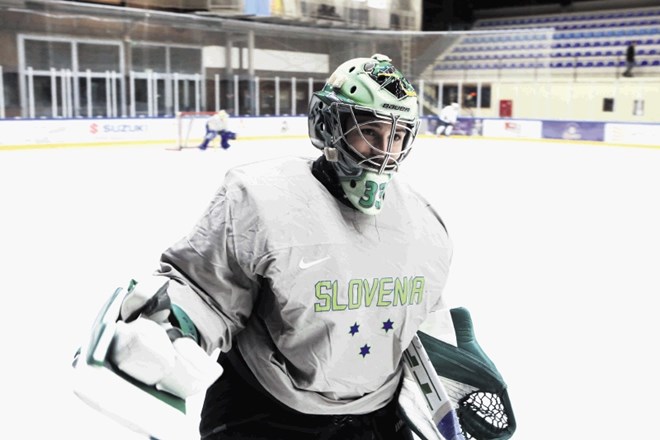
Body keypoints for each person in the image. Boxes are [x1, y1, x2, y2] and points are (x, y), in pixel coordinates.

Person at [100, 54, 511, 440]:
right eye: (369, 131)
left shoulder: (424, 223)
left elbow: (420, 316)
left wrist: (453, 360)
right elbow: (206, 289)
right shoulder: (262, 201)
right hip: (264, 411)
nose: (385, 152)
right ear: (328, 124)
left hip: (380, 419)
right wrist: (171, 328)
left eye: (398, 135)